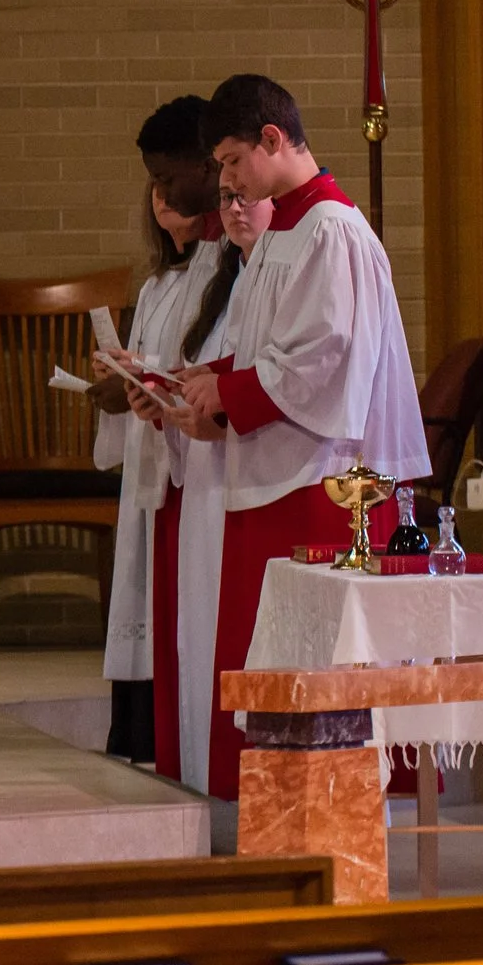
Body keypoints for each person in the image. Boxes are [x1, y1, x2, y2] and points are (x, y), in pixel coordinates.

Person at [147, 74, 425, 797]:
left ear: (274, 140)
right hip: (275, 468)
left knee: (312, 663)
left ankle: (332, 812)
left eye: (234, 161)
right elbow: (259, 344)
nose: (228, 180)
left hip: (321, 479)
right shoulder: (288, 231)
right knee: (267, 656)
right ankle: (278, 813)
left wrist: (227, 393)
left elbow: (324, 359)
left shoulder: (330, 229)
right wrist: (196, 382)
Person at [85, 96, 226, 768]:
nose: (160, 193)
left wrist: (149, 384)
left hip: (199, 464)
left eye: (167, 178)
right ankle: (147, 738)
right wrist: (127, 381)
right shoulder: (163, 283)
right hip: (163, 458)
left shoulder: (229, 264)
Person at [151, 180, 271, 795]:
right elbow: (218, 376)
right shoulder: (232, 285)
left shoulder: (276, 277)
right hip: (204, 488)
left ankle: (225, 788)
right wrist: (169, 400)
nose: (233, 211)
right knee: (199, 641)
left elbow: (274, 382)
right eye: (224, 199)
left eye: (243, 194)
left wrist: (214, 415)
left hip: (242, 487)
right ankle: (202, 778)